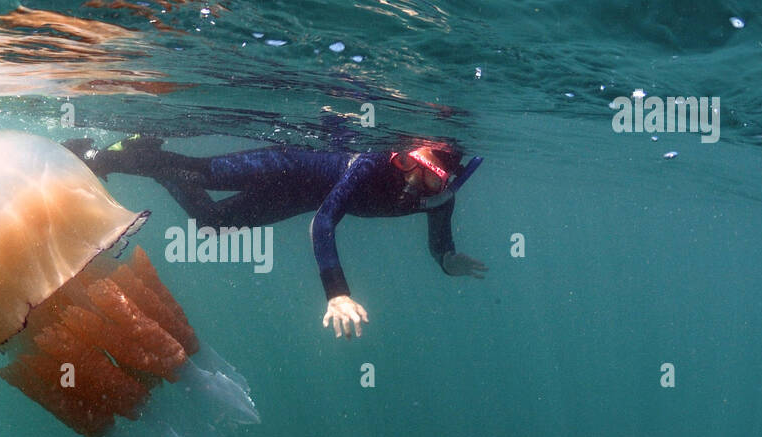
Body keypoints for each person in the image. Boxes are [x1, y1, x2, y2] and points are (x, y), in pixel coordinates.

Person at [63, 135, 486, 338]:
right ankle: (100, 157)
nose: (411, 178)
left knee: (212, 222)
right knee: (203, 172)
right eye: (408, 163)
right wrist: (336, 293)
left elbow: (440, 243)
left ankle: (149, 155)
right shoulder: (373, 164)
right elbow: (324, 222)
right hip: (291, 164)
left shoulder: (437, 201)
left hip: (298, 195)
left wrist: (447, 261)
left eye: (429, 178)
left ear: (447, 182)